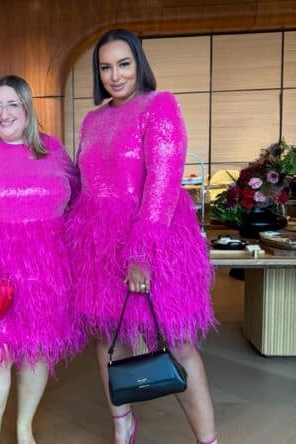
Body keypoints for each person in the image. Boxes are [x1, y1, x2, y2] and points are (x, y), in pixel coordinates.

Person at [68, 28, 218, 444]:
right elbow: (84, 182)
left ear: (138, 63)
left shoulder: (160, 106)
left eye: (123, 64)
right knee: (107, 336)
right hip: (98, 243)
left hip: (154, 238)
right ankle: (123, 426)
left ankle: (208, 440)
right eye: (105, 67)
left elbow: (164, 185)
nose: (114, 75)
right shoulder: (92, 119)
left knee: (180, 341)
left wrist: (142, 253)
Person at [0, 75, 82, 444]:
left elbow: (75, 203)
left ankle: (25, 427)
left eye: (13, 104)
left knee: (36, 352)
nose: (4, 113)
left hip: (46, 268)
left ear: (28, 108)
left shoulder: (54, 149)